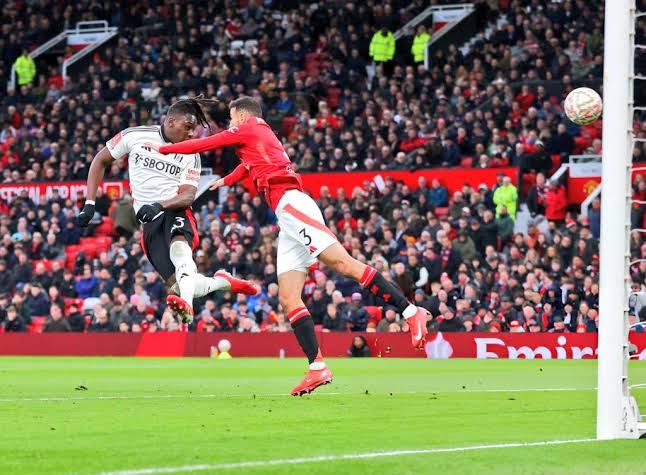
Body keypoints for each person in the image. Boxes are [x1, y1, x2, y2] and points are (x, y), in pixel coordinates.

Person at [147, 96, 429, 396]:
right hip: (287, 215)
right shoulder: (260, 135)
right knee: (289, 296)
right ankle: (317, 367)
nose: (230, 124)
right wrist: (226, 181)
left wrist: (164, 149)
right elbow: (246, 166)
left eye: (231, 118)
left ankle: (411, 312)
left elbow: (206, 144)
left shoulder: (249, 126)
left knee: (342, 263)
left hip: (291, 203)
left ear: (241, 116)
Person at [78, 96, 258, 324]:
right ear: (171, 122)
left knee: (180, 252)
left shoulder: (191, 153)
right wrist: (90, 203)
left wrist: (159, 205)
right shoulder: (135, 135)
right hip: (149, 224)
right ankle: (223, 281)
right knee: (183, 285)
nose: (192, 134)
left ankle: (189, 309)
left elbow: (188, 196)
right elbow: (100, 160)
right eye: (189, 127)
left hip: (175, 210)